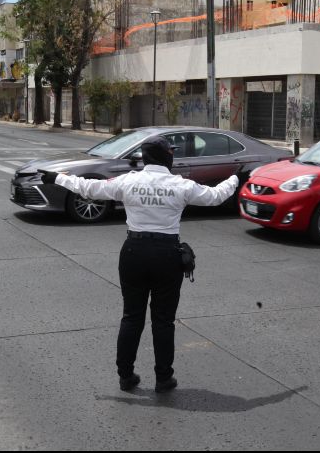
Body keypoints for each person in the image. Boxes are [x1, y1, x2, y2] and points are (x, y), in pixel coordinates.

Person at [40, 136, 239, 393]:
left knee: (132, 317)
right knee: (163, 320)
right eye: (171, 152)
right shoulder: (180, 185)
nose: (173, 156)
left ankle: (126, 376)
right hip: (167, 254)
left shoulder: (129, 181)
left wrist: (56, 178)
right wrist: (235, 178)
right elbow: (215, 196)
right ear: (165, 156)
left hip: (133, 252)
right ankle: (163, 378)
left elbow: (88, 187)